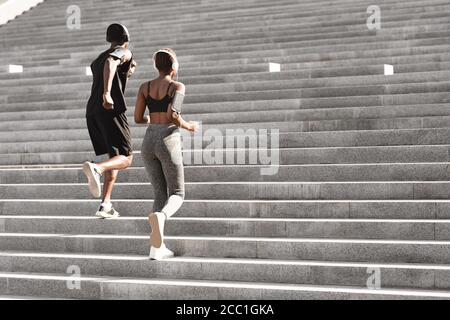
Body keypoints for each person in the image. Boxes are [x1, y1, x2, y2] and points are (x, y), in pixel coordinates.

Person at [134, 48, 198, 260]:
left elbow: (137, 118)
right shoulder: (177, 86)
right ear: (173, 66)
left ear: (156, 66)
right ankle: (161, 217)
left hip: (148, 142)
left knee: (159, 194)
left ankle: (156, 248)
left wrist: (153, 119)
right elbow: (173, 115)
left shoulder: (145, 87)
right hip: (168, 140)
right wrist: (188, 126)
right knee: (178, 193)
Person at [82, 23, 136, 218]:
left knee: (115, 157)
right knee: (127, 158)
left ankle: (105, 204)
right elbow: (112, 62)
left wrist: (126, 72)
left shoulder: (98, 58)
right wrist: (107, 93)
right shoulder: (122, 52)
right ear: (127, 40)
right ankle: (96, 168)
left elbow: (106, 64)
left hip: (92, 111)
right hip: (109, 109)